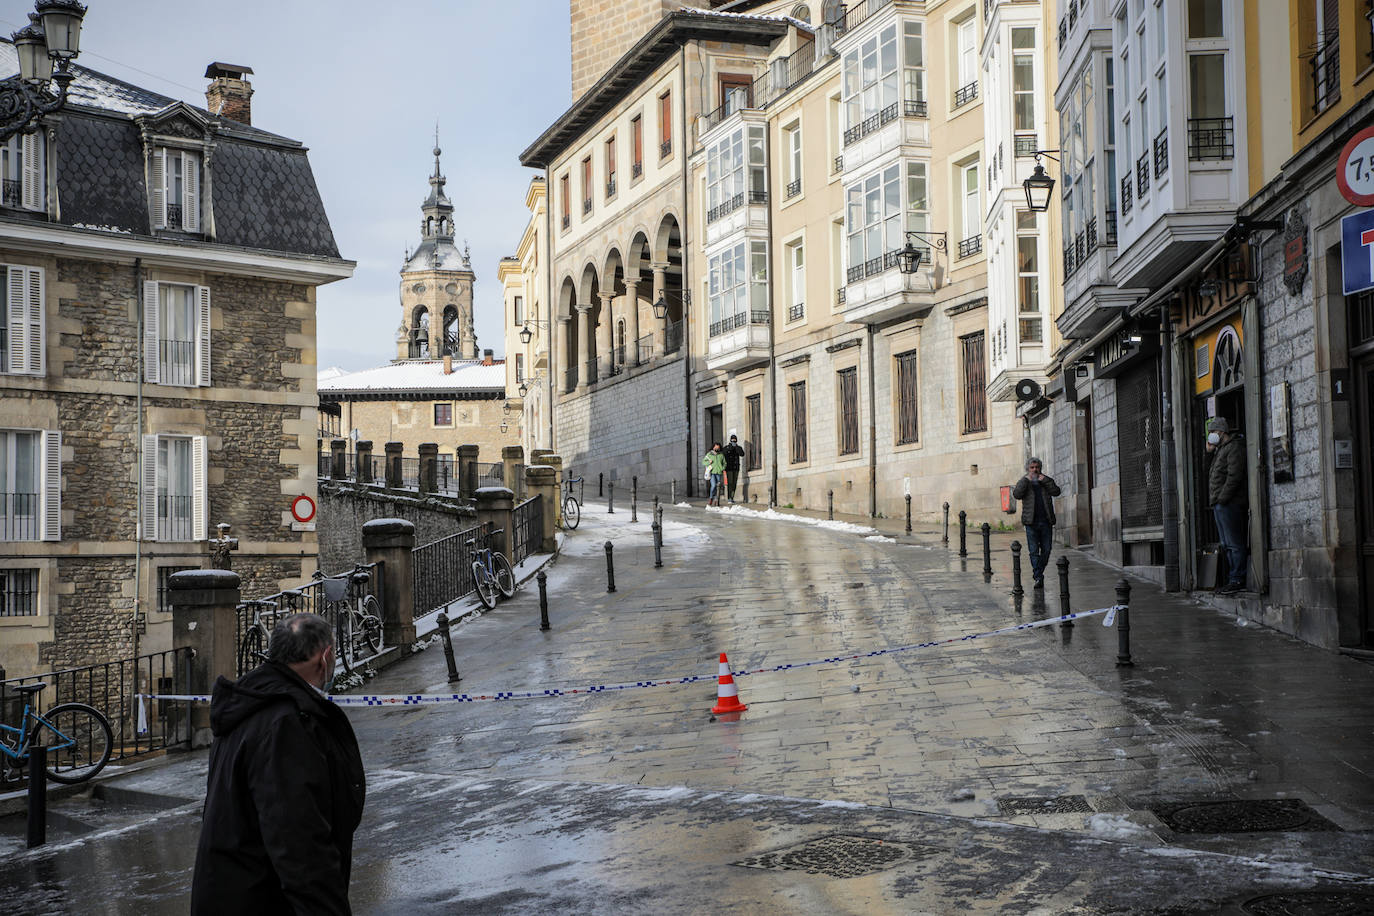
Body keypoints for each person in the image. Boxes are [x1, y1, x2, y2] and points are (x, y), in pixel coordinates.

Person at [192, 612, 366, 916]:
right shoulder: (286, 723)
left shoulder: (250, 701)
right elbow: (299, 843)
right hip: (260, 900)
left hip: (231, 891)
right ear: (324, 657)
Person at [1206, 416, 1248, 594]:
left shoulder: (1233, 448)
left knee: (1234, 542)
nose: (1211, 436)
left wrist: (1222, 498)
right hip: (1220, 503)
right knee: (1226, 543)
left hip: (1229, 503)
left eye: (1213, 432)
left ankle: (1237, 579)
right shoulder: (1220, 450)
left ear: (1221, 432)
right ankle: (1233, 578)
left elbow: (1234, 476)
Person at [1011, 456, 1061, 588]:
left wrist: (1045, 480)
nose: (1035, 470)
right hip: (1031, 522)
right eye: (1032, 467)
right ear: (1028, 469)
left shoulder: (1045, 480)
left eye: (1037, 467)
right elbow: (1016, 494)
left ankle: (1038, 572)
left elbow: (1056, 491)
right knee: (1033, 551)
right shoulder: (1025, 481)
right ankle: (1038, 576)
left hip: (1046, 522)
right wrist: (1025, 480)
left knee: (1047, 550)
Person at [721, 434, 746, 503]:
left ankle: (732, 497)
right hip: (729, 468)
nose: (734, 442)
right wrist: (731, 447)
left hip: (736, 468)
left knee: (734, 483)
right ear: (730, 440)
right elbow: (723, 453)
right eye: (732, 440)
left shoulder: (738, 448)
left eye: (735, 440)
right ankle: (729, 497)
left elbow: (742, 454)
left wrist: (736, 447)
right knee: (730, 482)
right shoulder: (726, 447)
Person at [702, 442, 725, 506]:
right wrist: (709, 462)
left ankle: (716, 500)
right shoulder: (709, 454)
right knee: (714, 486)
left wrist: (722, 468)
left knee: (718, 487)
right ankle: (711, 498)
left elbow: (724, 463)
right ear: (713, 447)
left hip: (719, 473)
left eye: (718, 447)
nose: (716, 448)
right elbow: (703, 462)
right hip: (712, 473)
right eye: (715, 447)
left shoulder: (721, 455)